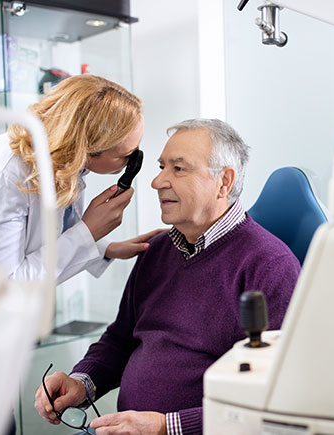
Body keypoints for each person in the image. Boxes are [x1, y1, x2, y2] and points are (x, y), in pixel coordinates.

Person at [34, 119, 301, 434]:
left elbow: (273, 396)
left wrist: (167, 427)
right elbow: (120, 340)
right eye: (162, 167)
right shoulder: (157, 250)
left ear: (224, 182)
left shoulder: (268, 267)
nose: (157, 181)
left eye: (178, 169)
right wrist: (83, 382)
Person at [0, 74, 161, 285]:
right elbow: (1, 288)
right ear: (88, 151)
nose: (132, 162)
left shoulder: (63, 161)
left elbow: (56, 229)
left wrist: (108, 248)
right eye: (127, 155)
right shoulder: (3, 176)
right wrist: (89, 232)